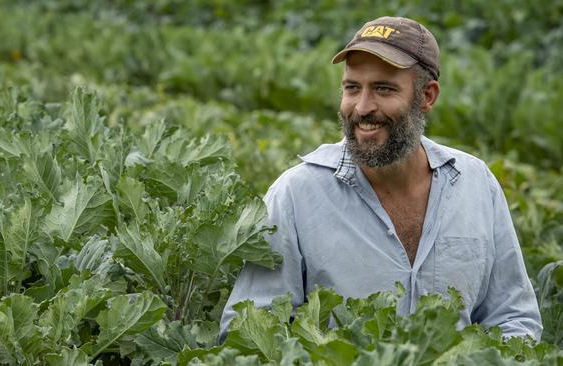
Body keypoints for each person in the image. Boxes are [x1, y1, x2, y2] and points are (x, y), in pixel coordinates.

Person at [220, 16, 542, 341]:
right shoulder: (295, 196)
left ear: (427, 96)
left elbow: (513, 316)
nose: (362, 107)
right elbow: (250, 331)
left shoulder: (476, 185)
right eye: (352, 88)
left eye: (383, 89)